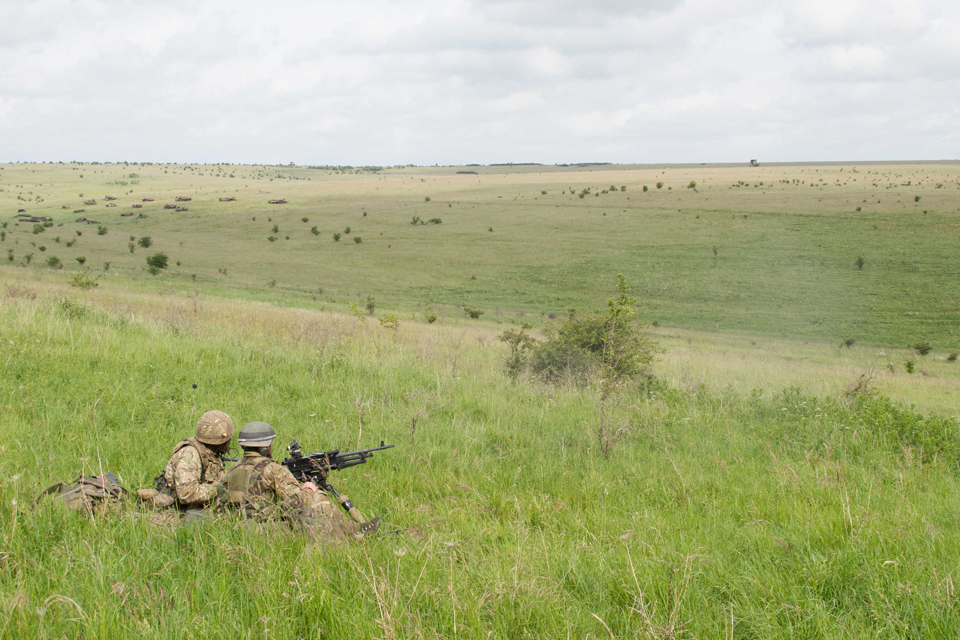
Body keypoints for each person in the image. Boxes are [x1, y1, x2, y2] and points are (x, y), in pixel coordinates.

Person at [218, 421, 376, 543]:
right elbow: (299, 501)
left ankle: (355, 531)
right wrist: (308, 489)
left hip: (241, 530)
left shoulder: (230, 471)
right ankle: (355, 532)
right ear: (266, 447)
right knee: (318, 500)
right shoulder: (271, 469)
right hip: (266, 530)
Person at [145, 410, 235, 509]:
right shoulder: (190, 455)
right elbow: (186, 493)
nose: (229, 443)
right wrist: (221, 488)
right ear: (219, 441)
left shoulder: (210, 452)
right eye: (227, 440)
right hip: (179, 509)